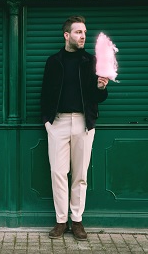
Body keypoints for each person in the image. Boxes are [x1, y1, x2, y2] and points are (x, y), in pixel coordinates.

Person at [40, 16, 109, 241]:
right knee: (58, 173)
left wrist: (100, 87)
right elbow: (44, 94)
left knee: (79, 175)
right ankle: (61, 221)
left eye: (85, 33)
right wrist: (47, 122)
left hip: (83, 123)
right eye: (78, 32)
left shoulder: (90, 61)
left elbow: (98, 97)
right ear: (66, 35)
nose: (83, 36)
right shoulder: (53, 61)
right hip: (57, 122)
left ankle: (77, 220)